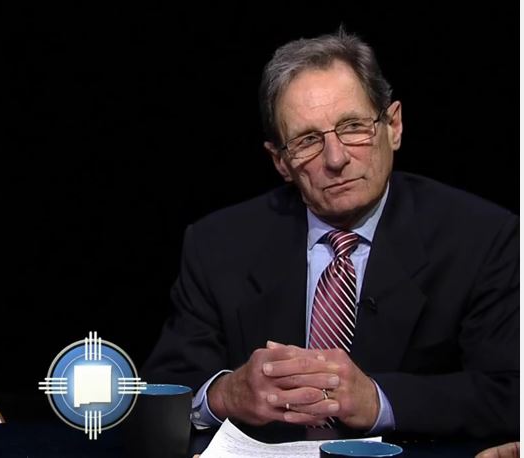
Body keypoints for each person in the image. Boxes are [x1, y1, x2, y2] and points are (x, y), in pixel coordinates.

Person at [142, 29, 518, 439]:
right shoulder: (217, 245)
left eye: (353, 127)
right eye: (307, 141)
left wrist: (378, 400)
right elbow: (163, 390)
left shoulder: (483, 238)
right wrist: (226, 394)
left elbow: (510, 391)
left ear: (393, 125)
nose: (336, 159)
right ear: (281, 162)